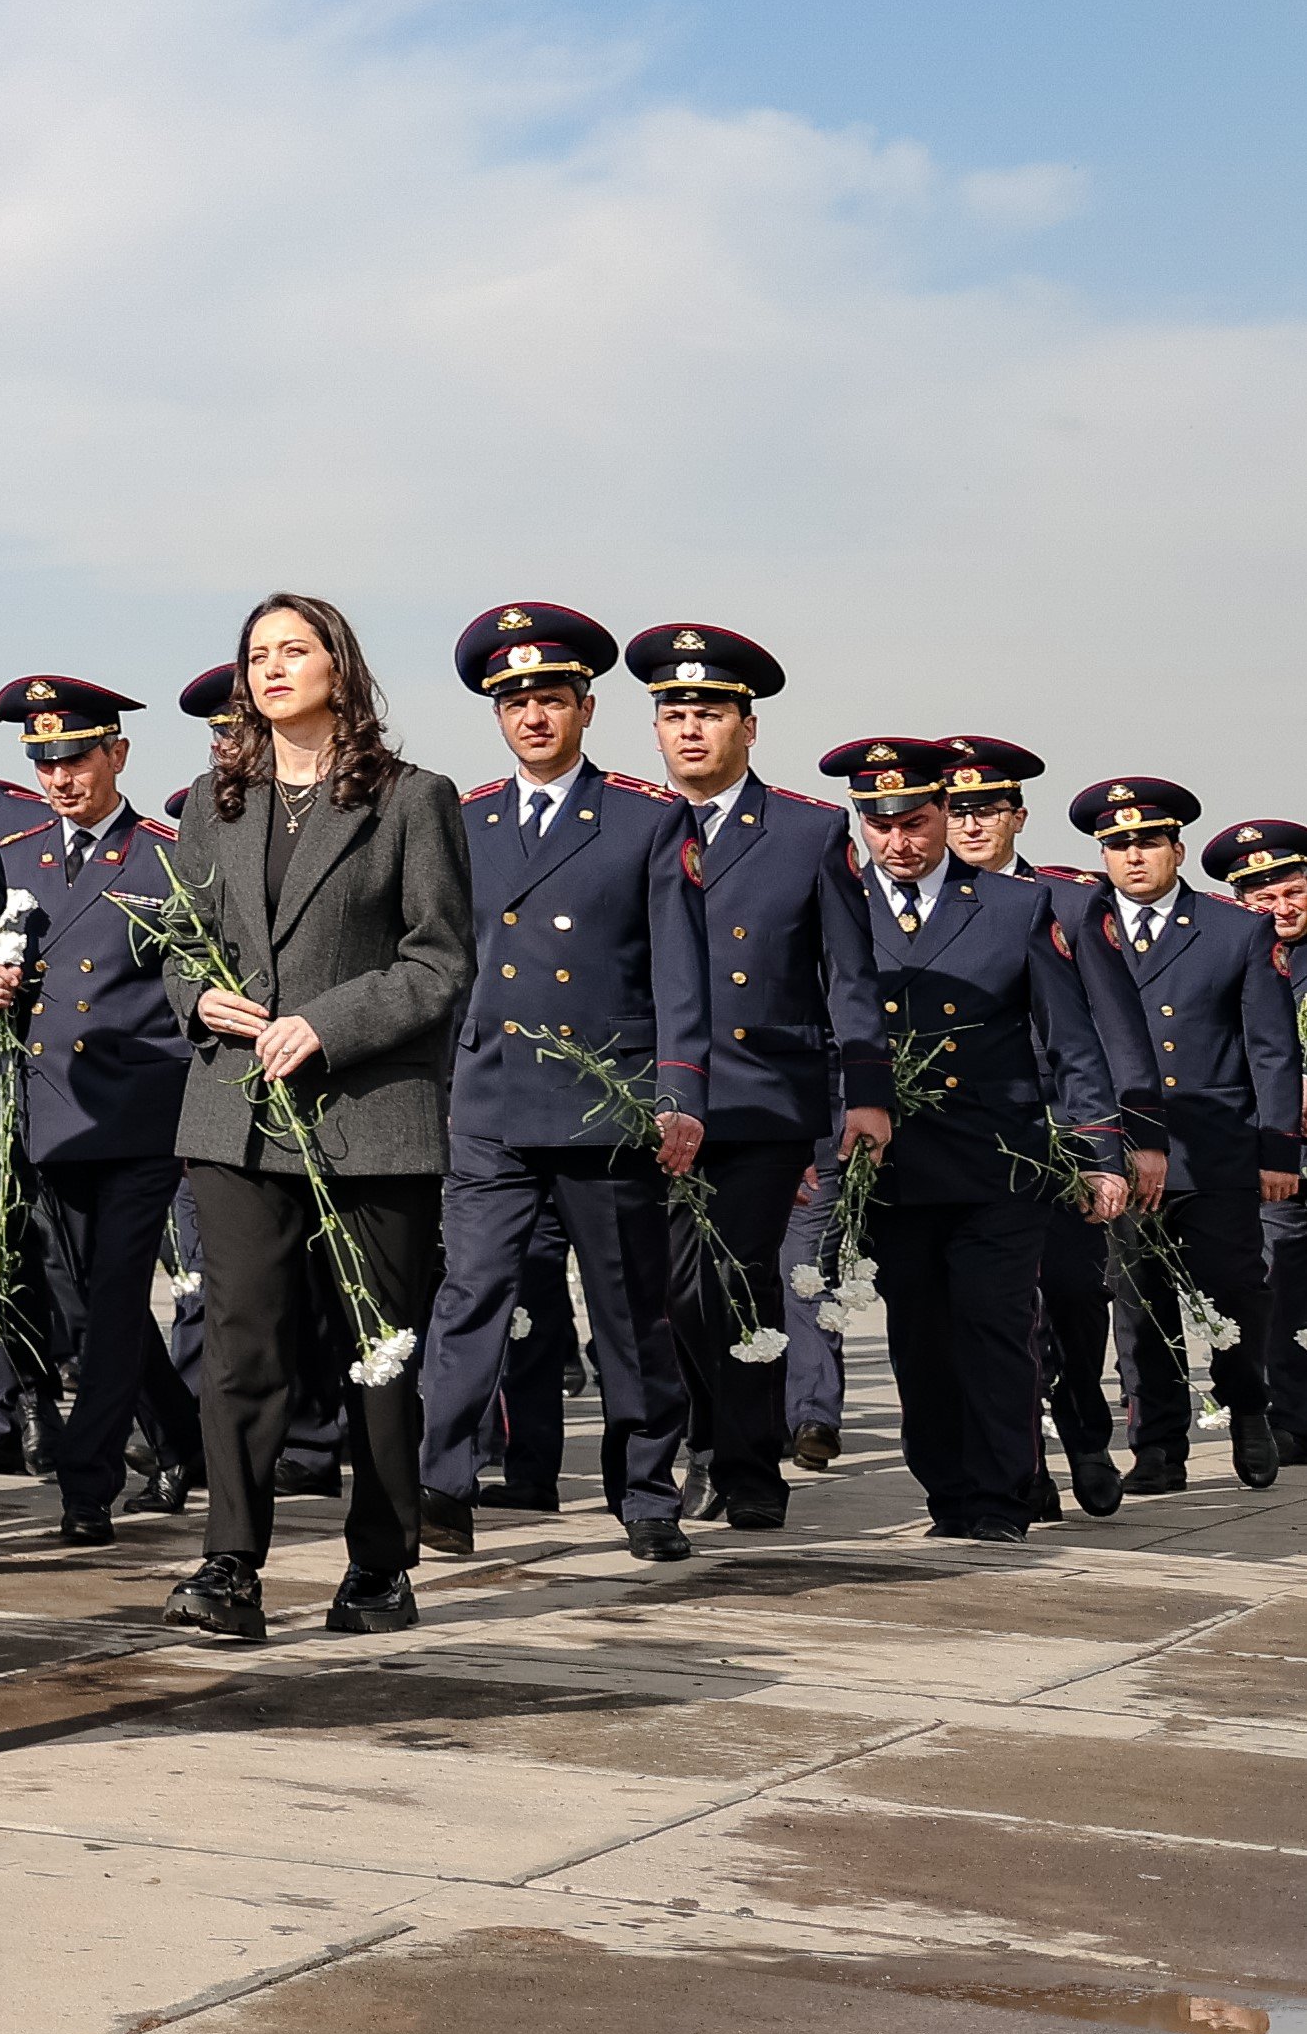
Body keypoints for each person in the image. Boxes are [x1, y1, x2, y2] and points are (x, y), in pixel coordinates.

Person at [151, 594, 471, 1646]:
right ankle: (228, 1565)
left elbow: (437, 961)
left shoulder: (412, 800)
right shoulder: (215, 800)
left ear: (341, 667)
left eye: (294, 650)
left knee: (373, 1353)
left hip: (366, 1115)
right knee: (243, 1346)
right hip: (233, 1115)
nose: (272, 668)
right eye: (256, 654)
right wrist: (195, 998)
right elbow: (180, 941)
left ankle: (380, 1565)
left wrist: (326, 1026)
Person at [415, 606, 707, 1568]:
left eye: (549, 699)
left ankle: (648, 1488)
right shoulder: (464, 823)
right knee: (469, 1299)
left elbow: (678, 970)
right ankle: (442, 1485)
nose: (532, 718)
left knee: (628, 1311)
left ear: (586, 706)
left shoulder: (645, 816)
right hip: (492, 1101)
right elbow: (441, 964)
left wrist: (679, 1094)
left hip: (604, 1105)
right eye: (515, 704)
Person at [825, 737, 1136, 1539]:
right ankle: (950, 1494)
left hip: (1001, 1165)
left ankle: (1001, 1498)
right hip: (894, 1171)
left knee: (996, 1332)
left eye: (916, 821)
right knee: (920, 1340)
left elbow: (1072, 1043)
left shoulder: (1015, 907)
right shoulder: (840, 905)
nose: (899, 841)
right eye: (878, 823)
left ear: (943, 814)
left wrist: (1101, 1151)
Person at [626, 622, 882, 1528]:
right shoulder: (624, 827)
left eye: (708, 712)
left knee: (732, 1281)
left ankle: (746, 1466)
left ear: (748, 727)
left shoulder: (809, 832)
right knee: (662, 1287)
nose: (689, 729)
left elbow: (849, 976)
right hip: (646, 1100)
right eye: (672, 713)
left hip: (761, 1096)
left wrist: (868, 1094)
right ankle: (703, 1441)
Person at [0, 677, 198, 1545]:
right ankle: (181, 1437)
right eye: (43, 760)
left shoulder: (164, 857)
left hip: (138, 1112)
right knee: (80, 1305)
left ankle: (88, 1483)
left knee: (109, 1303)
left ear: (117, 755)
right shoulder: (16, 854)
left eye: (74, 757)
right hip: (49, 1115)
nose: (60, 777)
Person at [946, 738, 1159, 1515]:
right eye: (958, 810)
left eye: (987, 810)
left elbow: (1119, 1028)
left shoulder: (1071, 901)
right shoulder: (928, 901)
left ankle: (1086, 1435)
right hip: (975, 1139)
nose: (971, 825)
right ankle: (1023, 1467)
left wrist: (1137, 1138)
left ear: (1018, 816)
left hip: (1066, 1132)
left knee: (1072, 1295)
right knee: (1005, 1311)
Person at [1066, 776, 1287, 1493]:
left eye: (1147, 842)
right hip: (1120, 1150)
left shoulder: (1234, 928)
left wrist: (1279, 1149)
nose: (1133, 857)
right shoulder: (1075, 926)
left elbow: (1271, 1049)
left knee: (1233, 1292)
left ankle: (1247, 1409)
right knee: (1139, 1302)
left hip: (1213, 1146)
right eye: (1117, 845)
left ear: (1177, 848)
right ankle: (1158, 1447)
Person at [1207, 816, 1307, 1455]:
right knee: (1275, 1288)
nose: (1280, 907)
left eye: (1292, 890)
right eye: (1261, 899)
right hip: (1278, 1158)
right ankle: (1291, 1420)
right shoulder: (1237, 959)